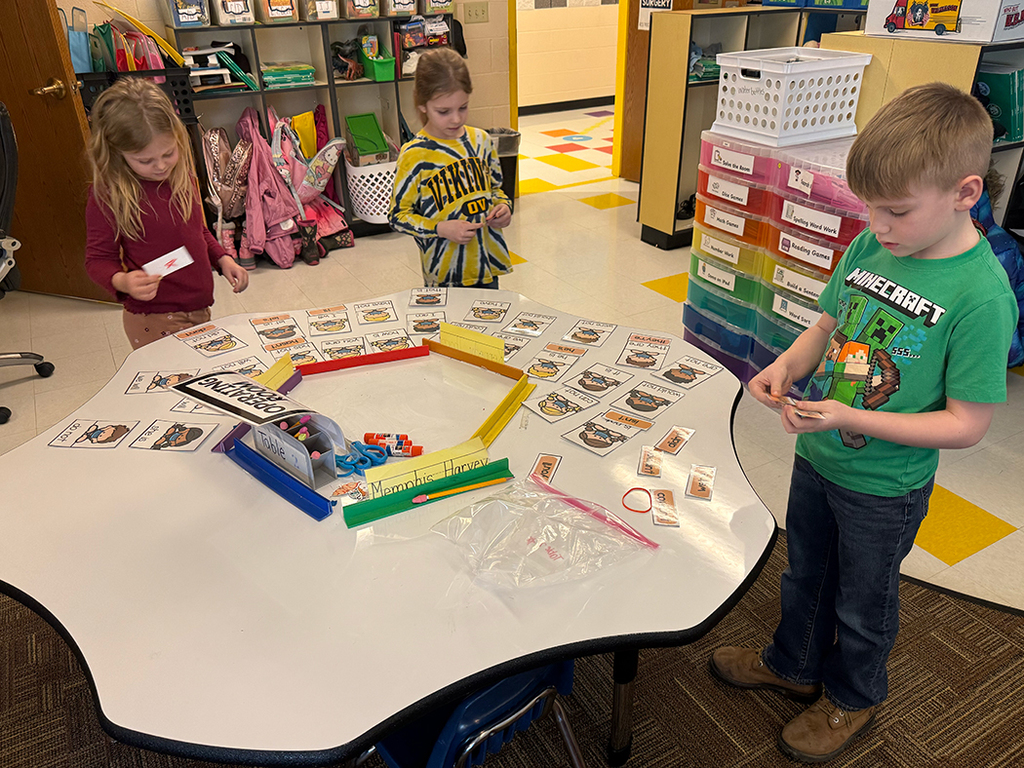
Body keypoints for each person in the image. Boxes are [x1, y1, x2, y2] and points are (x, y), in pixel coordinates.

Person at [710, 82, 1019, 763]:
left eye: (896, 212)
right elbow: (826, 322)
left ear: (967, 193)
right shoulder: (872, 245)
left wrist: (854, 416)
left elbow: (967, 425)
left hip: (886, 484)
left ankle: (854, 697)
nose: (876, 225)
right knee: (806, 572)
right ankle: (793, 666)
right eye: (869, 209)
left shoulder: (981, 294)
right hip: (823, 456)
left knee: (863, 599)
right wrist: (786, 364)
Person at [85, 78, 248, 349]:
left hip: (198, 307)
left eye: (168, 153)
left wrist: (222, 260)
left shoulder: (181, 175)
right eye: (144, 161)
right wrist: (123, 281)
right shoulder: (108, 194)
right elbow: (97, 260)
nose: (160, 166)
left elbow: (197, 231)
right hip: (154, 316)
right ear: (117, 153)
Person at [390, 48, 513, 289]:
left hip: (486, 268)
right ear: (422, 104)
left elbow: (496, 189)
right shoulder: (414, 155)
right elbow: (398, 217)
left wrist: (503, 207)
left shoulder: (482, 141)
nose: (456, 119)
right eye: (444, 111)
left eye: (463, 107)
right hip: (445, 275)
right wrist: (440, 228)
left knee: (487, 324)